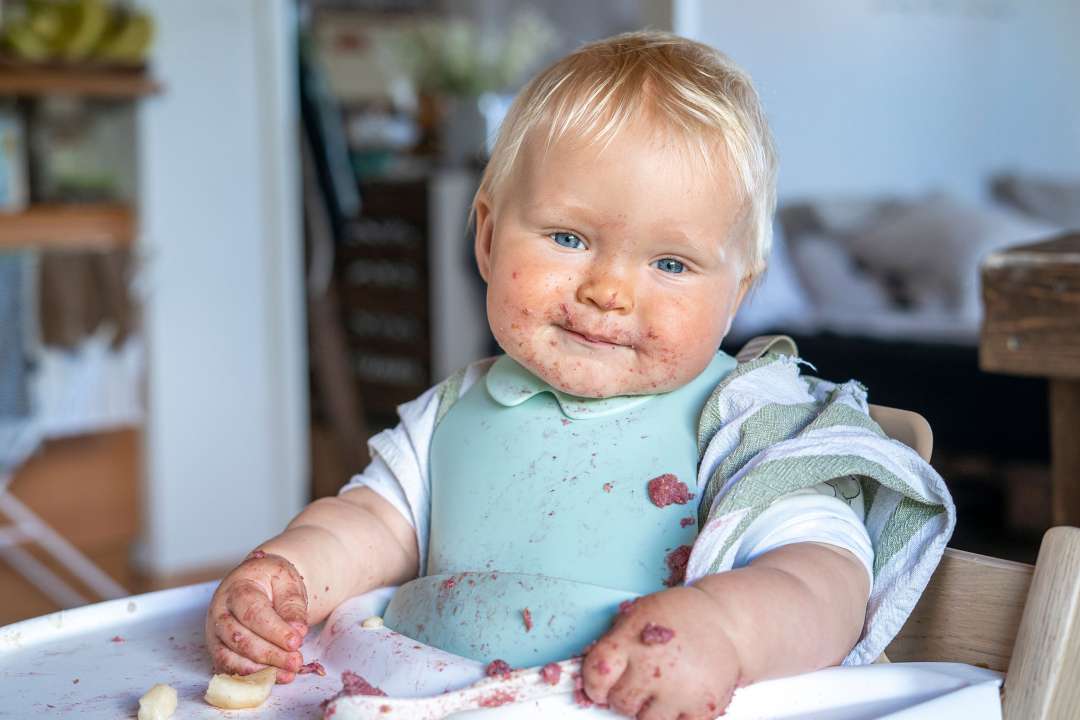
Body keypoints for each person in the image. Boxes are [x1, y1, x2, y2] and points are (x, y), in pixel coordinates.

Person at [205, 32, 953, 719]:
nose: (609, 291)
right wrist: (289, 578)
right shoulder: (451, 416)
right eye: (568, 238)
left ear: (738, 295)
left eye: (670, 263)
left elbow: (825, 582)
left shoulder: (747, 423)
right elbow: (369, 526)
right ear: (491, 240)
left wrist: (726, 629)